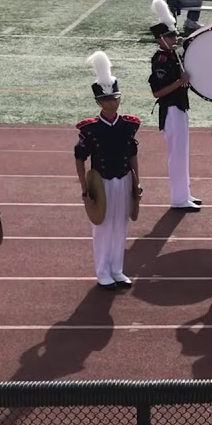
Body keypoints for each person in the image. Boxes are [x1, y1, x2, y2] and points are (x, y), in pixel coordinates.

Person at [75, 52, 141, 290]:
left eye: (115, 98)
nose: (112, 103)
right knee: (103, 226)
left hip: (123, 179)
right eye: (106, 100)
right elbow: (80, 158)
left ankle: (117, 269)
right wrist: (85, 188)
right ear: (99, 102)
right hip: (101, 182)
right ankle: (103, 271)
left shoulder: (129, 125)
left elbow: (132, 154)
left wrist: (136, 181)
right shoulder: (90, 129)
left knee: (121, 224)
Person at [148, 0, 201, 213]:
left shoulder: (173, 56)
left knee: (183, 153)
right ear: (161, 39)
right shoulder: (161, 60)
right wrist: (180, 82)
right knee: (177, 156)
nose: (175, 38)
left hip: (179, 107)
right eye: (170, 36)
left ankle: (184, 193)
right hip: (171, 109)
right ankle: (178, 199)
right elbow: (157, 92)